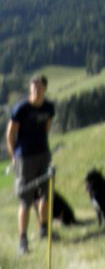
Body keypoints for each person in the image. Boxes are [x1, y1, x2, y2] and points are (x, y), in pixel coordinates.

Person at [5, 74, 55, 254]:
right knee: (25, 200)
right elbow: (10, 134)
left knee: (46, 195)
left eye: (39, 88)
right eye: (33, 88)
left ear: (44, 89)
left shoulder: (49, 107)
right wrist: (14, 156)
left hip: (43, 155)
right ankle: (22, 240)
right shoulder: (21, 109)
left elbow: (46, 128)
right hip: (25, 158)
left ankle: (44, 229)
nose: (36, 91)